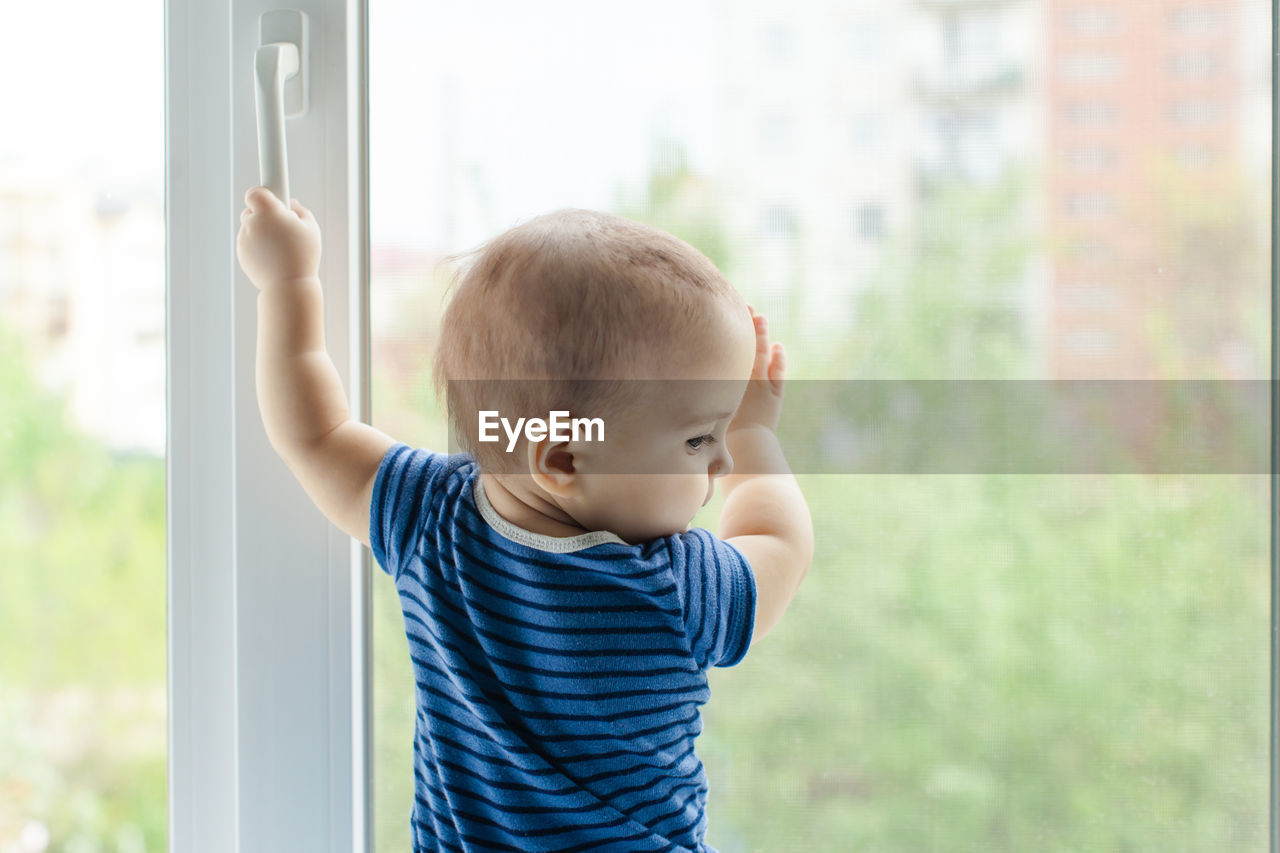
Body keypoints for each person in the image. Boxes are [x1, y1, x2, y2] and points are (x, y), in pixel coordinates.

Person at [235, 186, 814, 852]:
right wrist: (758, 436)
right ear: (564, 454)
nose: (719, 462)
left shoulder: (429, 518)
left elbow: (316, 432)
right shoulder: (673, 587)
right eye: (698, 439)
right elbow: (777, 542)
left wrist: (286, 283)